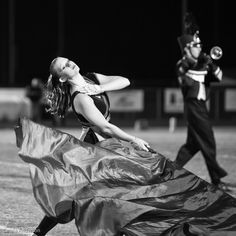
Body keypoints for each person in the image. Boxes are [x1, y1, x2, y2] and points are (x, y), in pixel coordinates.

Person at [15, 57, 236, 236]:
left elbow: (124, 80)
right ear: (62, 78)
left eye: (68, 60)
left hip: (109, 145)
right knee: (86, 196)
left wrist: (99, 86)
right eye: (64, 66)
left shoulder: (91, 78)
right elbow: (105, 127)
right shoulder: (79, 97)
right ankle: (40, 232)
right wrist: (133, 139)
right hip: (96, 147)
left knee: (96, 194)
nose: (70, 63)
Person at [174, 25, 228, 189]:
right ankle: (216, 180)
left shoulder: (202, 64)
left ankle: (170, 172)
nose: (200, 48)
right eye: (197, 46)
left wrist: (211, 65)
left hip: (201, 107)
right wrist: (201, 65)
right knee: (208, 141)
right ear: (188, 48)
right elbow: (187, 81)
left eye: (200, 46)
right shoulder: (182, 64)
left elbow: (219, 77)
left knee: (192, 146)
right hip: (193, 108)